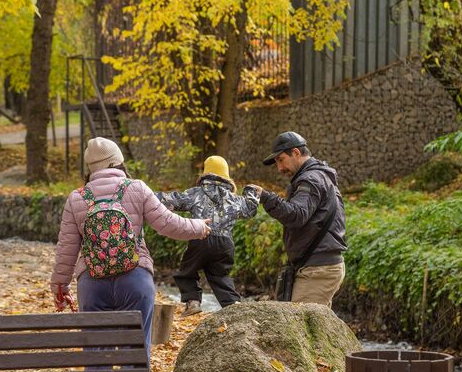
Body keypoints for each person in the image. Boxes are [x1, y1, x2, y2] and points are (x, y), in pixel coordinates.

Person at [50, 137, 211, 358]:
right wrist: (199, 227)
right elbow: (168, 224)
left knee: (97, 357)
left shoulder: (76, 198)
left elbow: (66, 250)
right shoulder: (136, 188)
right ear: (118, 162)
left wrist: (60, 288)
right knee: (134, 355)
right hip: (134, 278)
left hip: (92, 283)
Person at [249, 131, 347, 307]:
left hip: (318, 270)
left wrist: (265, 197)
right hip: (317, 267)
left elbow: (296, 215)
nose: (279, 168)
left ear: (296, 152)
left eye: (281, 159)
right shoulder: (316, 177)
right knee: (312, 329)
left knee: (300, 327)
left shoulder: (311, 179)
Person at [156, 156, 259, 316]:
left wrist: (146, 195)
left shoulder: (196, 193)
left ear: (204, 174)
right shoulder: (233, 199)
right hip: (225, 244)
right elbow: (250, 209)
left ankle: (193, 302)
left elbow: (171, 200)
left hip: (200, 237)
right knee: (220, 276)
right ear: (227, 176)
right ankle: (234, 307)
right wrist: (250, 191)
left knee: (186, 271)